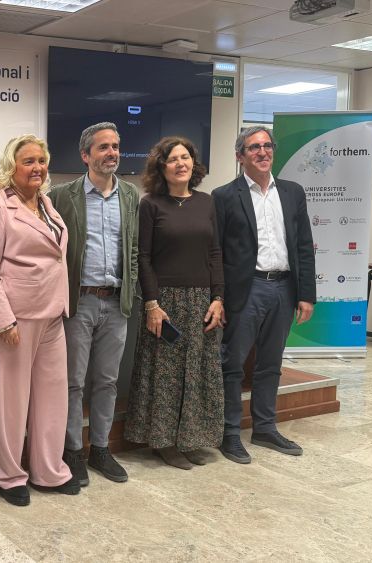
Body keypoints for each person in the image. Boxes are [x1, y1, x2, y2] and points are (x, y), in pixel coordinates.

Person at [0, 134, 78, 507]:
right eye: (29, 161)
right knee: (10, 401)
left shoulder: (47, 205)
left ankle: (49, 470)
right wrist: (3, 320)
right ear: (11, 166)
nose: (38, 168)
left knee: (52, 399)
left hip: (52, 314)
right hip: (13, 319)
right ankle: (7, 476)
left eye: (42, 160)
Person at [213, 126, 316, 464]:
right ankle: (229, 433)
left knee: (271, 363)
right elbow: (217, 252)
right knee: (232, 363)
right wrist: (219, 297)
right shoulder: (224, 196)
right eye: (254, 147)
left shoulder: (292, 192)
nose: (262, 152)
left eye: (267, 146)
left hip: (284, 288)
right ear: (240, 156)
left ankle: (265, 427)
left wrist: (306, 294)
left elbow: (304, 245)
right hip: (247, 290)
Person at [123, 136, 225, 470]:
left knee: (197, 372)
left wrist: (218, 298)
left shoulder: (207, 203)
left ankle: (190, 438)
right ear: (161, 167)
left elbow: (215, 253)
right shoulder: (150, 204)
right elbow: (143, 257)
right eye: (173, 159)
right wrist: (152, 304)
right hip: (165, 302)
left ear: (194, 163)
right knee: (164, 375)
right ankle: (164, 442)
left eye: (186, 157)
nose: (181, 164)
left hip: (202, 301)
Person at [48, 122, 139, 486]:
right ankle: (73, 451)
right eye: (103, 147)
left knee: (107, 381)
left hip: (115, 303)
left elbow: (133, 248)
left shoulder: (130, 195)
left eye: (115, 146)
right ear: (85, 155)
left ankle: (100, 448)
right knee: (72, 382)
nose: (112, 153)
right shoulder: (61, 195)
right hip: (79, 301)